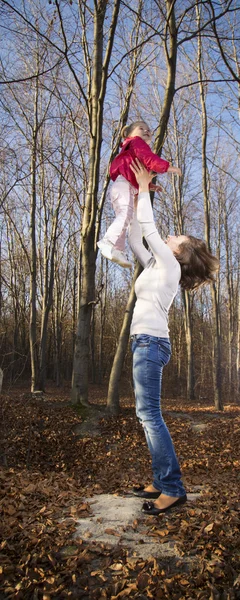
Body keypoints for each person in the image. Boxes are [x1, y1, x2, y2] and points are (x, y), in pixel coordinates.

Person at [128, 159, 219, 515]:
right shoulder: (156, 264)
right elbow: (137, 235)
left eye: (176, 237)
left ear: (181, 251)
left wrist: (144, 185)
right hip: (145, 342)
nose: (171, 235)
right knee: (146, 414)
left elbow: (149, 228)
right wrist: (140, 192)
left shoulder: (168, 264)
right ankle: (160, 480)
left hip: (150, 343)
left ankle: (173, 487)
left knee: (150, 415)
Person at [97, 120, 181, 268]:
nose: (147, 130)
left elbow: (134, 172)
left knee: (135, 230)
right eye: (141, 128)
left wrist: (149, 185)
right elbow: (149, 159)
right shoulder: (136, 142)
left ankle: (119, 251)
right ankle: (108, 241)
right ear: (129, 135)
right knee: (125, 214)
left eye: (149, 129)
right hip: (124, 186)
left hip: (131, 189)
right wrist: (169, 167)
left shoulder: (133, 152)